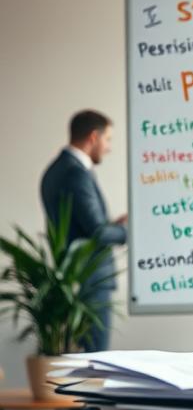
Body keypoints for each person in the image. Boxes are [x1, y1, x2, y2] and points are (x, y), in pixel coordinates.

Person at [40, 110, 127, 352]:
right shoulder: (76, 173)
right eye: (107, 139)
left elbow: (82, 226)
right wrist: (129, 231)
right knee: (94, 362)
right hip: (90, 278)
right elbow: (97, 233)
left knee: (85, 364)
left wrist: (115, 226)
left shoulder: (58, 169)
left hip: (76, 278)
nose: (109, 147)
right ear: (93, 136)